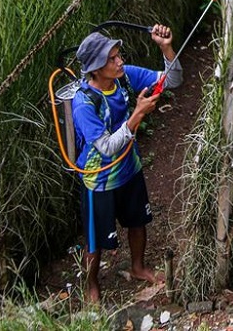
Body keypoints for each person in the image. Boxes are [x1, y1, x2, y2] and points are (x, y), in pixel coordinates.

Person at [72, 25, 183, 303]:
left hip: (129, 168)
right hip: (99, 179)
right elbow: (107, 147)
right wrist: (138, 113)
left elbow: (173, 80)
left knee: (138, 221)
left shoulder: (123, 78)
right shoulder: (84, 103)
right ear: (95, 70)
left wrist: (166, 48)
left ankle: (137, 267)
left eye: (118, 55)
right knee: (95, 240)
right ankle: (91, 284)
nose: (120, 61)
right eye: (112, 59)